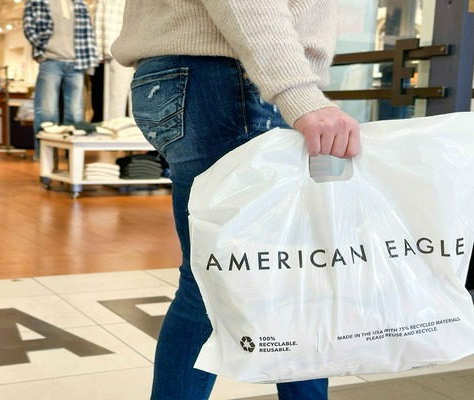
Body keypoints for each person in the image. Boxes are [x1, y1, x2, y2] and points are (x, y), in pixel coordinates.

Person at [111, 1, 360, 399]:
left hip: (193, 75)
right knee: (261, 278)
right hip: (228, 75)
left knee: (236, 279)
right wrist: (298, 91)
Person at [23, 0, 99, 160]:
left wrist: (89, 63)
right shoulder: (37, 2)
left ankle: (73, 156)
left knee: (75, 113)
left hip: (76, 63)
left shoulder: (79, 4)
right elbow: (29, 29)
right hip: (51, 61)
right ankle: (45, 155)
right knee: (47, 111)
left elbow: (88, 34)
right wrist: (43, 50)